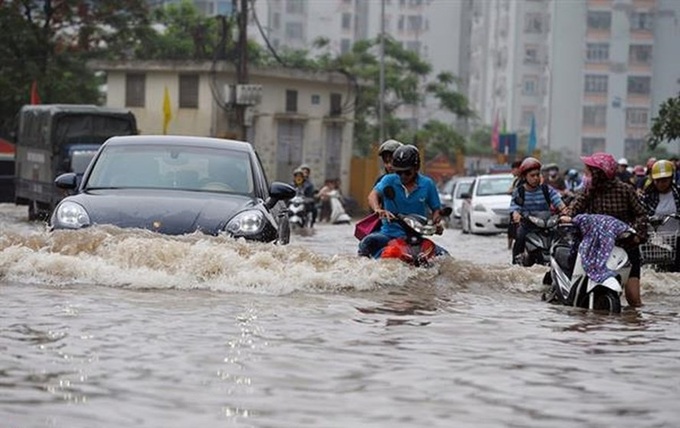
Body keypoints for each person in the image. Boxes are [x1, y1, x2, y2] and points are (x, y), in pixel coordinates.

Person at [562, 152, 648, 307]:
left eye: (589, 172)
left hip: (625, 244)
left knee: (634, 300)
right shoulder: (590, 190)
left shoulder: (625, 190)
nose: (586, 176)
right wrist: (568, 215)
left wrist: (637, 235)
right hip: (595, 244)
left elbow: (641, 214)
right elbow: (576, 205)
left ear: (599, 174)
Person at [358, 144, 447, 258]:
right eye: (399, 172)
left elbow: (436, 209)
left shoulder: (427, 184)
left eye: (407, 172)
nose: (403, 176)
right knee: (367, 242)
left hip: (416, 236)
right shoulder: (388, 180)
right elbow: (372, 195)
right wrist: (378, 209)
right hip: (389, 234)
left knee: (445, 257)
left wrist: (436, 222)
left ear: (416, 168)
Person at [510, 157, 567, 265]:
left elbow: (557, 200)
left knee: (563, 239)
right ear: (524, 177)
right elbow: (515, 206)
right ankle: (516, 263)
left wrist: (564, 209)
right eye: (532, 175)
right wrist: (516, 214)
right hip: (528, 225)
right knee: (519, 238)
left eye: (537, 175)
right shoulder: (519, 191)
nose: (536, 178)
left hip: (547, 224)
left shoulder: (546, 189)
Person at [640, 159, 680, 271]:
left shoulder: (677, 193)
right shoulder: (648, 196)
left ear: (671, 179)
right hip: (655, 240)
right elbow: (640, 212)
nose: (660, 184)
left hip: (676, 237)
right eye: (657, 180)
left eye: (664, 180)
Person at [506, 160, 523, 249]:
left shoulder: (524, 181)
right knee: (511, 229)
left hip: (521, 209)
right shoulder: (516, 180)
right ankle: (509, 247)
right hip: (514, 208)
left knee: (517, 229)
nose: (512, 172)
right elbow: (510, 190)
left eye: (513, 169)